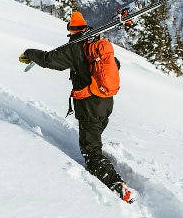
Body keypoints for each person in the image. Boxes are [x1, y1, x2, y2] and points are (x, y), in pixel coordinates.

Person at [19, 11, 134, 203]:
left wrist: (29, 53)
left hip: (90, 106)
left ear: (71, 30)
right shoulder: (96, 45)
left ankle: (116, 185)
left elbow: (49, 60)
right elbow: (116, 65)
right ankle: (103, 162)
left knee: (91, 151)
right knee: (95, 134)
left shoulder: (75, 48)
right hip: (106, 102)